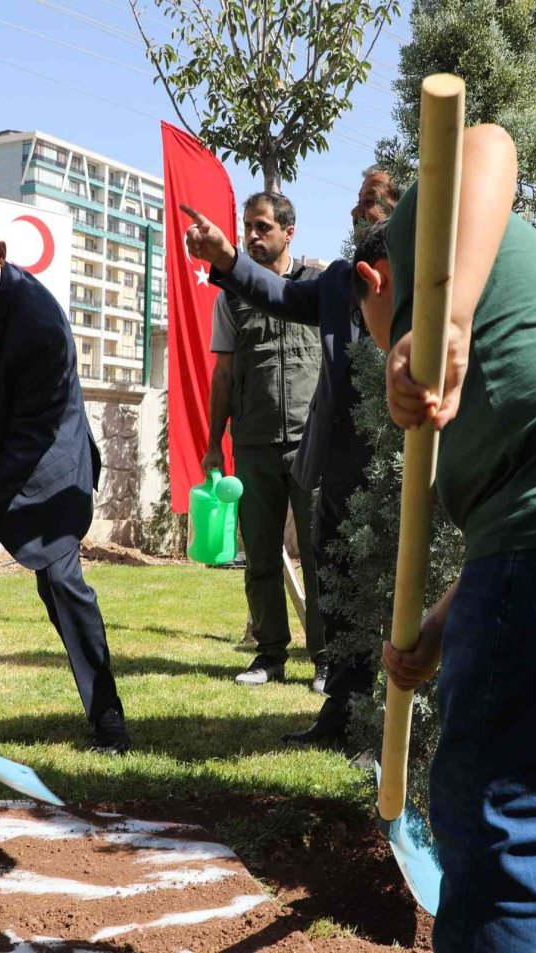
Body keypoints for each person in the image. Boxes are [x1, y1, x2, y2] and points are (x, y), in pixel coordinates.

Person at [353, 124, 536, 953]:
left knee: (504, 839)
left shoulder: (427, 246)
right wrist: (448, 618)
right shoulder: (534, 304)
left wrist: (444, 319)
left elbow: (487, 141)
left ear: (372, 282)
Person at [181, 167, 399, 749]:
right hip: (335, 460)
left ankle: (399, 725)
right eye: (355, 204)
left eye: (370, 203)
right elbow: (275, 294)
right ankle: (343, 715)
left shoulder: (427, 283)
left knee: (396, 592)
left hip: (401, 461)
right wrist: (226, 258)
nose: (357, 213)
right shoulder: (334, 283)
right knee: (337, 577)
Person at [0, 201, 129, 759]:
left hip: (44, 469)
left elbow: (32, 434)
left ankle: (107, 716)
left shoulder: (36, 320)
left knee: (62, 585)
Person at [203, 192, 324, 687]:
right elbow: (223, 376)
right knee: (260, 554)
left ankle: (328, 658)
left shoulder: (318, 286)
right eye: (246, 227)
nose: (251, 236)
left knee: (321, 555)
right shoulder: (230, 295)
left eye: (262, 227)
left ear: (288, 232)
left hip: (312, 443)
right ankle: (269, 656)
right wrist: (214, 443)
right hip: (253, 442)